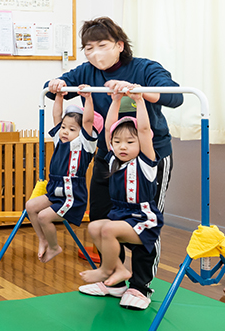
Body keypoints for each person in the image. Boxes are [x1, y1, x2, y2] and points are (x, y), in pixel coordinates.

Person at [47, 16, 182, 310]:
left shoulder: (145, 67)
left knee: (145, 220)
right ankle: (114, 278)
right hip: (108, 155)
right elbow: (54, 87)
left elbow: (174, 97)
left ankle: (141, 286)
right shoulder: (87, 71)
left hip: (148, 155)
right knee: (102, 217)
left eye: (102, 45)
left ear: (119, 45)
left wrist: (136, 89)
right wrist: (56, 84)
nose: (95, 53)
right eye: (88, 48)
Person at [81, 88, 163, 288]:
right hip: (121, 215)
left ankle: (106, 270)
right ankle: (119, 268)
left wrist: (140, 100)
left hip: (143, 219)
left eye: (129, 142)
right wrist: (116, 100)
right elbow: (109, 129)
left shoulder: (145, 163)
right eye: (117, 142)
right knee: (94, 226)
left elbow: (143, 130)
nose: (122, 146)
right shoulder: (113, 161)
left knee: (107, 229)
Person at [25, 87, 100, 263]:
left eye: (72, 129)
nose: (65, 131)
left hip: (72, 195)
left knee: (44, 216)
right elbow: (57, 117)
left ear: (82, 133)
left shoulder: (84, 144)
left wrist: (88, 98)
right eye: (65, 128)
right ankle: (43, 239)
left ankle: (54, 246)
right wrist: (59, 97)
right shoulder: (61, 139)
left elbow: (88, 120)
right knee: (31, 206)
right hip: (55, 190)